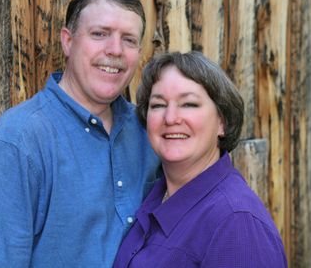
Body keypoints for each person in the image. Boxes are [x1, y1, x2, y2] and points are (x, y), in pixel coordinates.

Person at [0, 0, 160, 267]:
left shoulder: (148, 130)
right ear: (68, 41)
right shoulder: (17, 141)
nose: (115, 50)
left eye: (128, 39)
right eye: (99, 34)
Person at [114, 51, 288, 267]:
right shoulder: (153, 198)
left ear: (222, 122)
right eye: (158, 105)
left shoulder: (237, 224)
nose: (170, 118)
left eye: (189, 104)